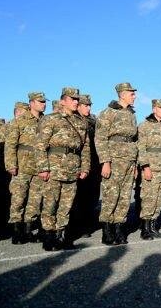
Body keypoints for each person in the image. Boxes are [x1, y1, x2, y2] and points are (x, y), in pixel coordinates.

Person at [35, 87, 90, 251]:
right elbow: (40, 146)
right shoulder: (51, 119)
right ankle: (49, 236)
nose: (75, 102)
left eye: (77, 99)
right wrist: (43, 167)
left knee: (66, 205)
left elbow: (85, 147)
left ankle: (61, 235)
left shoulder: (81, 122)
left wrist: (85, 167)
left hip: (73, 168)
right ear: (62, 101)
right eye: (72, 99)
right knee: (50, 204)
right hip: (54, 168)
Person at [96, 83, 138, 245]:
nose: (134, 96)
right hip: (114, 160)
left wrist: (135, 163)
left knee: (124, 197)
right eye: (131, 93)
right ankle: (107, 231)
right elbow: (100, 138)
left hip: (128, 161)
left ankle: (119, 229)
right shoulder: (108, 113)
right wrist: (105, 162)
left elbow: (135, 140)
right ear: (122, 94)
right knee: (111, 195)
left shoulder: (131, 115)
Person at [5, 91, 48, 244]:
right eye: (40, 101)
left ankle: (28, 230)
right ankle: (17, 231)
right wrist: (11, 164)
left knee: (35, 200)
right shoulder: (20, 120)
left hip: (39, 166)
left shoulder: (45, 121)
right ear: (31, 103)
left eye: (44, 101)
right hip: (22, 165)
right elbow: (10, 144)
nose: (44, 104)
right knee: (18, 198)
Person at [137, 99, 161, 241]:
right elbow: (141, 148)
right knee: (149, 199)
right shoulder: (145, 126)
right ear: (154, 109)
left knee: (158, 200)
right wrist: (145, 167)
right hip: (151, 168)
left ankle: (153, 227)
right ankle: (145, 230)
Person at [71, 94, 101, 238]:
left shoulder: (93, 121)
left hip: (94, 162)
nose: (88, 108)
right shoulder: (73, 120)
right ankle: (78, 225)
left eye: (90, 105)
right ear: (78, 106)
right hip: (80, 162)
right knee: (79, 196)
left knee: (93, 194)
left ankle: (89, 221)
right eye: (85, 105)